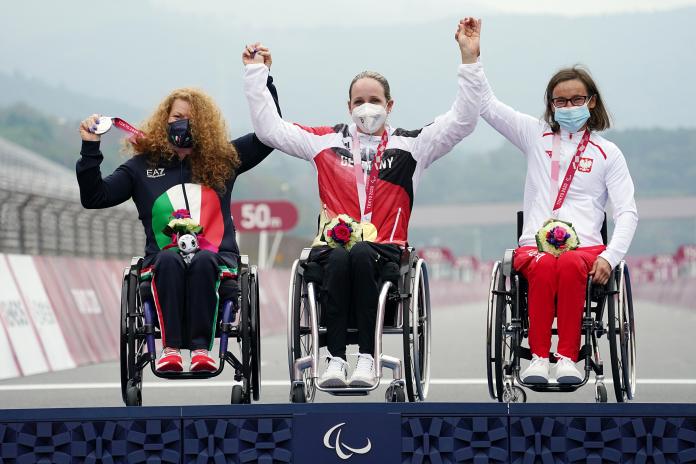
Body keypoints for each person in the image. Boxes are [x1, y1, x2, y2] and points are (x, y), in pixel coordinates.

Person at [242, 19, 483, 389]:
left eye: (374, 101)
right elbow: (269, 130)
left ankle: (368, 359)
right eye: (359, 101)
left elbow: (463, 121)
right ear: (348, 105)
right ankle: (335, 359)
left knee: (357, 255)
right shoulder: (323, 142)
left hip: (386, 252)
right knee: (341, 255)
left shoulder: (412, 146)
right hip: (332, 250)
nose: (366, 107)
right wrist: (257, 75)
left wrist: (469, 58)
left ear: (390, 105)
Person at [77, 47, 280, 373]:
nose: (182, 123)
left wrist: (263, 78)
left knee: (202, 259)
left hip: (217, 262)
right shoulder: (140, 167)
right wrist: (90, 148)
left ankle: (202, 352)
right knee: (170, 257)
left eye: (190, 118)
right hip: (162, 261)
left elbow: (269, 136)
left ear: (205, 125)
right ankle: (169, 350)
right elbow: (95, 196)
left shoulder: (223, 159)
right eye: (176, 117)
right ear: (163, 121)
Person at [471, 18, 639, 384]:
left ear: (591, 102)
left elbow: (627, 212)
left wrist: (611, 258)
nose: (568, 106)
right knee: (547, 264)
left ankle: (567, 358)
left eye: (576, 99)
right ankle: (536, 358)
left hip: (587, 249)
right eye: (560, 100)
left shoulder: (608, 153)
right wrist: (472, 58)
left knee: (568, 264)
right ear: (551, 104)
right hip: (535, 245)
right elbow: (486, 105)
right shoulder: (535, 136)